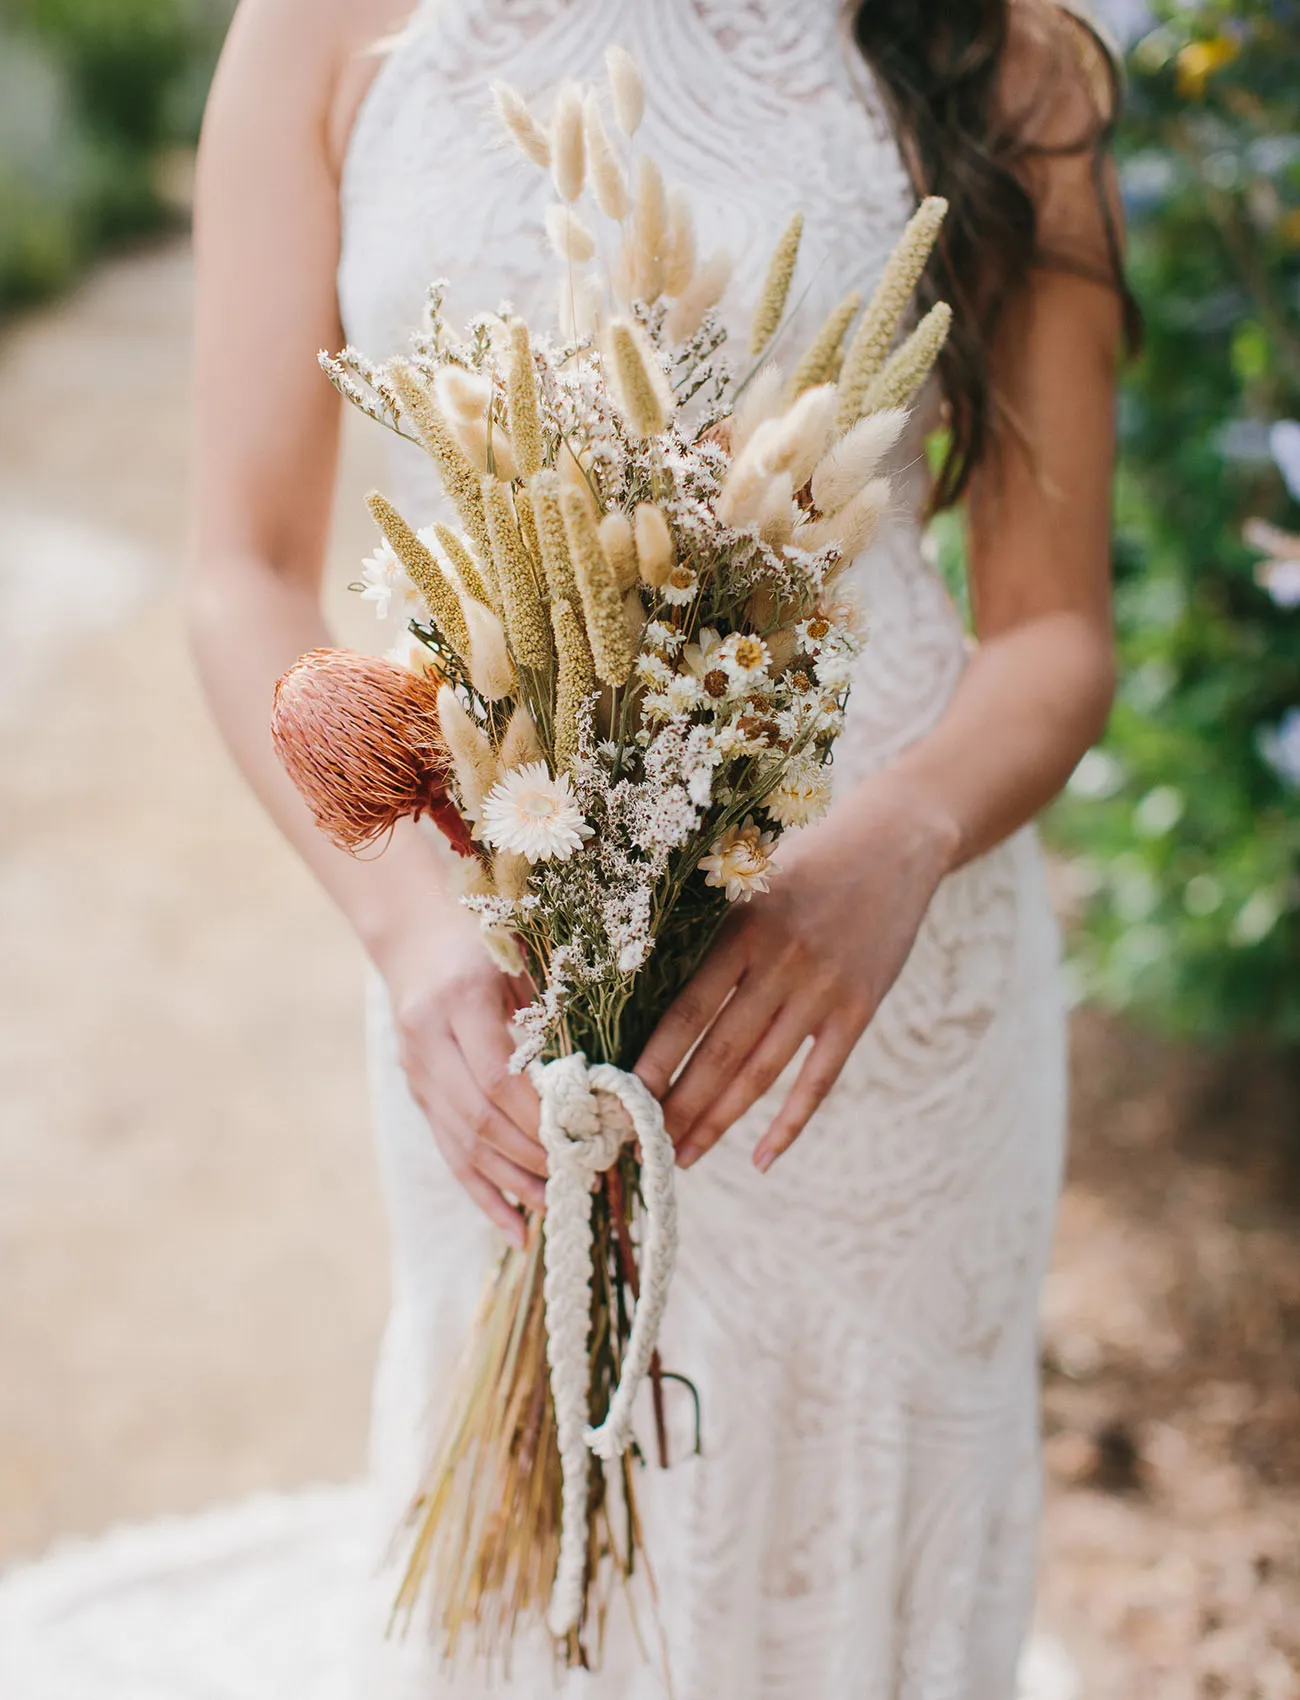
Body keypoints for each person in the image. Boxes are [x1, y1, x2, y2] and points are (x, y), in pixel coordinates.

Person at [189, 1, 1131, 1694]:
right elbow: (240, 572)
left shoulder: (1001, 50)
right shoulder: (325, 25)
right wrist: (413, 940)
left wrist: (895, 843)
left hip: (884, 997)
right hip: (498, 941)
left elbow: (1055, 631)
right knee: (533, 1533)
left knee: (850, 1529)